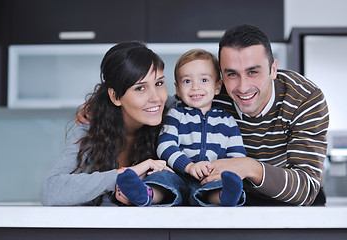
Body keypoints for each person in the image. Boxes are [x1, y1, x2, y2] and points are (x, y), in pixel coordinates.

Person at [41, 41, 181, 206]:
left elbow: (209, 98)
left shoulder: (175, 113)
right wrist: (125, 174)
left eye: (159, 83)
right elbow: (50, 191)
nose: (156, 98)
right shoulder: (92, 125)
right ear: (115, 97)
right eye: (140, 88)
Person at [204, 24, 329, 206]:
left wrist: (249, 166)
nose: (243, 87)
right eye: (232, 74)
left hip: (288, 199)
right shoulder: (211, 95)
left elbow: (306, 187)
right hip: (229, 197)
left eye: (253, 72)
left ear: (273, 69)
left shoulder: (305, 98)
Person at [157, 49, 247, 206]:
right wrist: (189, 166)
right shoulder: (175, 115)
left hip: (209, 178)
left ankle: (226, 197)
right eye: (187, 81)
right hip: (177, 175)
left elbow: (237, 156)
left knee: (216, 186)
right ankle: (144, 193)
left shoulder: (227, 121)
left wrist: (219, 172)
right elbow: (165, 146)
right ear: (177, 89)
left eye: (204, 80)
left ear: (218, 86)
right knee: (160, 179)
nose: (195, 87)